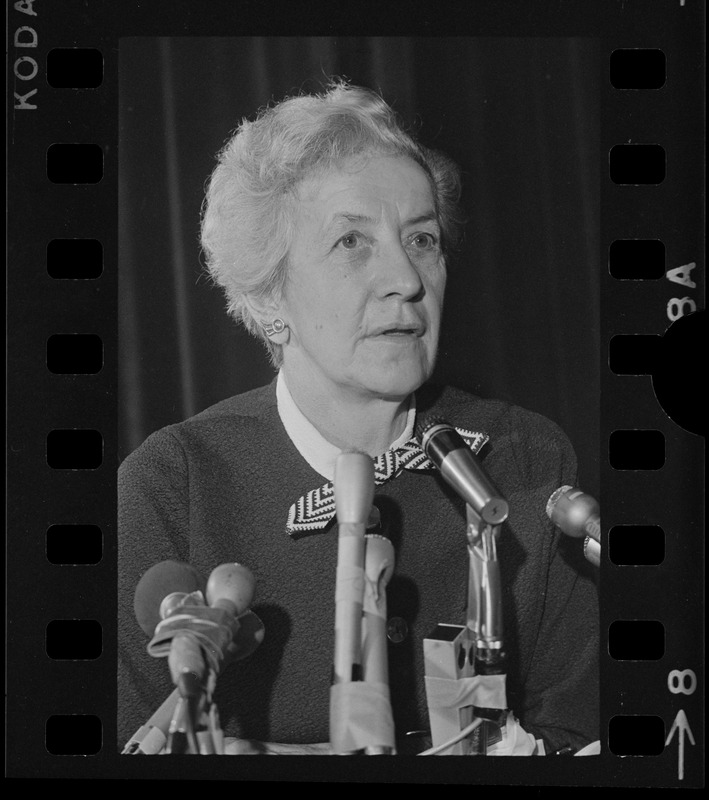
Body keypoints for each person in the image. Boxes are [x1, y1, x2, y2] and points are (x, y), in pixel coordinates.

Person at [118, 80, 599, 756]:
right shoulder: (173, 485)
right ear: (268, 297)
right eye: (351, 241)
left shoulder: (526, 458)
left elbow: (582, 738)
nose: (407, 277)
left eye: (422, 238)